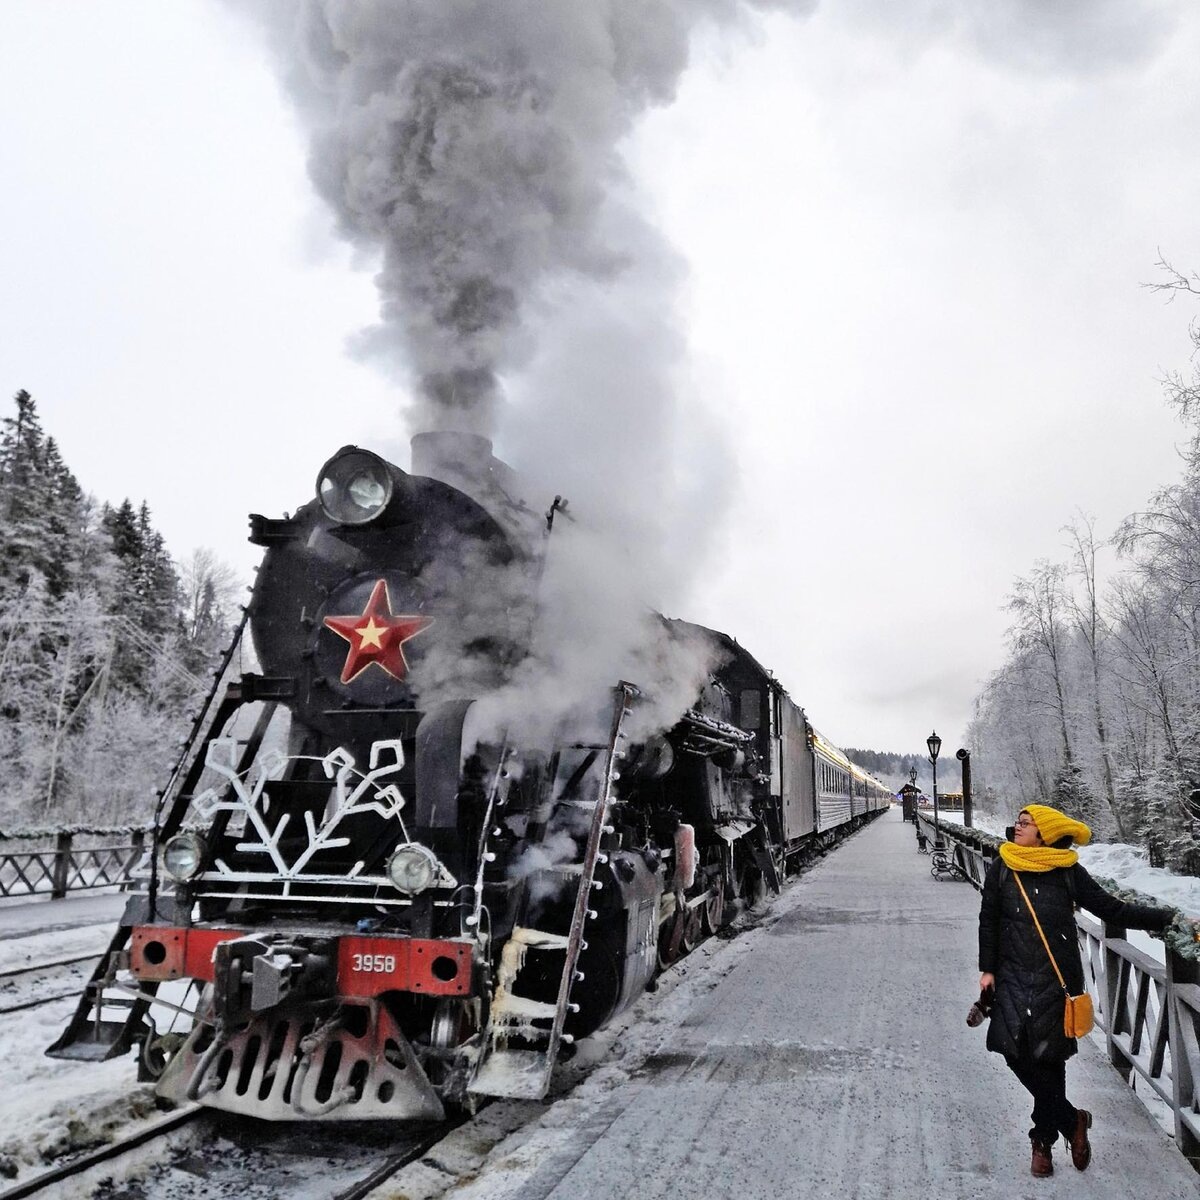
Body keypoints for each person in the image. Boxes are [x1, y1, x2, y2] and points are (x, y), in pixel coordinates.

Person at [977, 803, 1174, 1178]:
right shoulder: (1003, 865)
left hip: (1057, 979)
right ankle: (1072, 1120)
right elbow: (989, 919)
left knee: (1049, 1060)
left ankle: (1042, 1143)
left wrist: (1165, 918)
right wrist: (987, 969)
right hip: (1012, 975)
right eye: (1018, 822)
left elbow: (1111, 909)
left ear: (1046, 833)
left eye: (1026, 823)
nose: (1017, 828)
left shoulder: (1067, 871)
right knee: (1013, 1051)